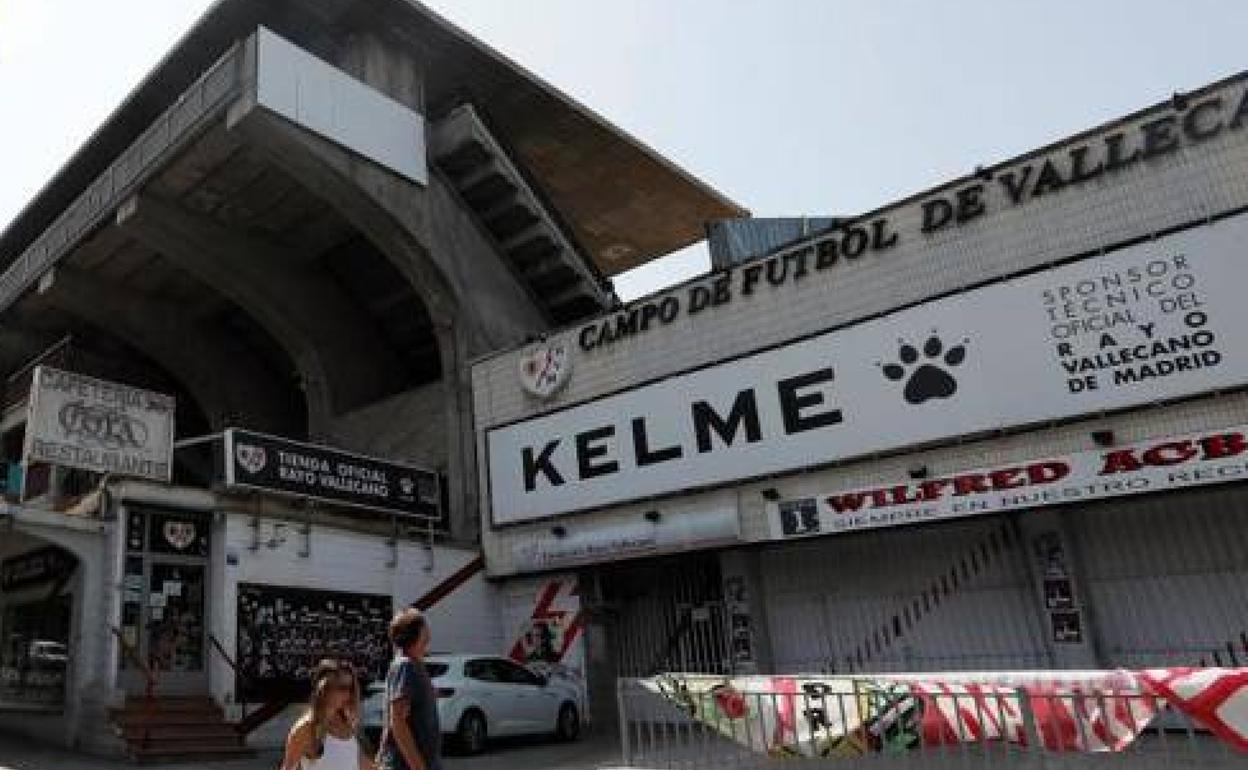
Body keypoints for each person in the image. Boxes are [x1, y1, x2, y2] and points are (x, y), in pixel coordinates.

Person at [280, 658, 375, 770]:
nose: (348, 694)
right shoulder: (306, 728)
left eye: (351, 688)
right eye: (342, 688)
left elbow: (363, 764)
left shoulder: (348, 723)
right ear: (324, 689)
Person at [377, 609, 441, 770]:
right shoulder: (405, 666)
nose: (429, 629)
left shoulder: (415, 664)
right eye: (424, 625)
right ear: (417, 633)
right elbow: (397, 722)